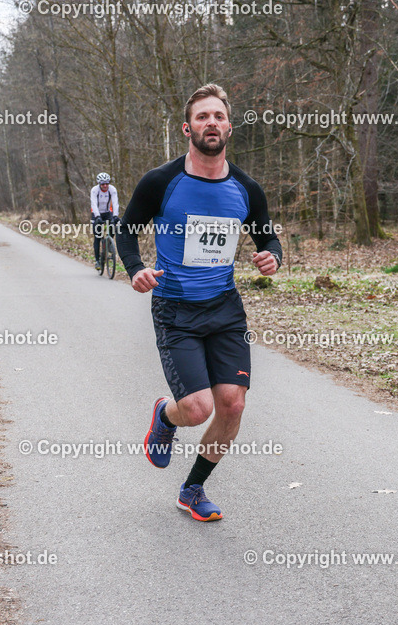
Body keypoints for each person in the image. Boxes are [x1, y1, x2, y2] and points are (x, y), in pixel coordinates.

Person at [117, 83, 282, 522]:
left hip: (225, 308)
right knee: (197, 408)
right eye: (203, 117)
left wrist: (272, 256)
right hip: (175, 308)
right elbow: (125, 229)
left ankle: (193, 489)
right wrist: (135, 269)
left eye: (219, 116)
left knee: (233, 404)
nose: (212, 123)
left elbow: (267, 235)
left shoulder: (247, 188)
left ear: (229, 126)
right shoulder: (161, 181)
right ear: (188, 128)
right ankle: (165, 416)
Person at [90, 172, 120, 272]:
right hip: (96, 213)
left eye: (107, 183)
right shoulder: (95, 190)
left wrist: (115, 215)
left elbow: (115, 203)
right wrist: (97, 216)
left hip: (107, 212)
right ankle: (97, 260)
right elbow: (93, 204)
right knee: (97, 236)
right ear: (99, 184)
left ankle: (109, 243)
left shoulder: (112, 189)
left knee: (113, 226)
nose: (105, 186)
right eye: (103, 184)